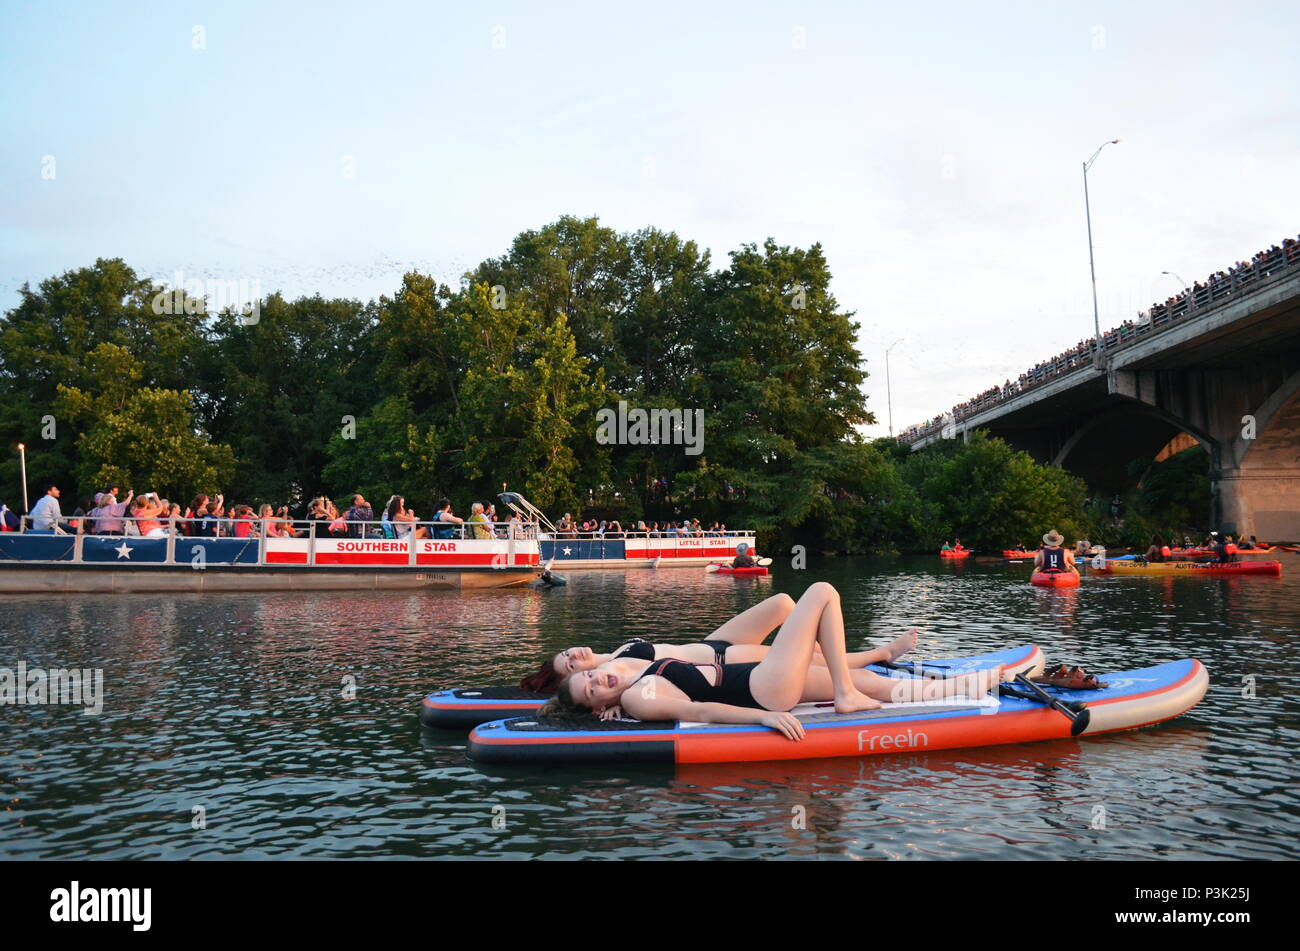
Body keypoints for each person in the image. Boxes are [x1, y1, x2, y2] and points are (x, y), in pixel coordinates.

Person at [538, 583, 1005, 737]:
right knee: (821, 592)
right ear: (599, 706)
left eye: (589, 679)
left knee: (879, 686)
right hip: (764, 691)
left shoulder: (629, 679)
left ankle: (980, 685)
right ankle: (845, 695)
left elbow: (620, 686)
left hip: (757, 676)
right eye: (592, 689)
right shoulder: (641, 695)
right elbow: (700, 711)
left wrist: (608, 706)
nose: (596, 679)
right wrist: (767, 718)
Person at [521, 594, 917, 693]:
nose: (573, 656)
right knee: (805, 661)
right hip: (727, 658)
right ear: (582, 676)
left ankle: (870, 656)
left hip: (715, 642)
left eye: (565, 653)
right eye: (571, 665)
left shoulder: (616, 650)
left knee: (783, 605)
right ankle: (879, 655)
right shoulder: (619, 672)